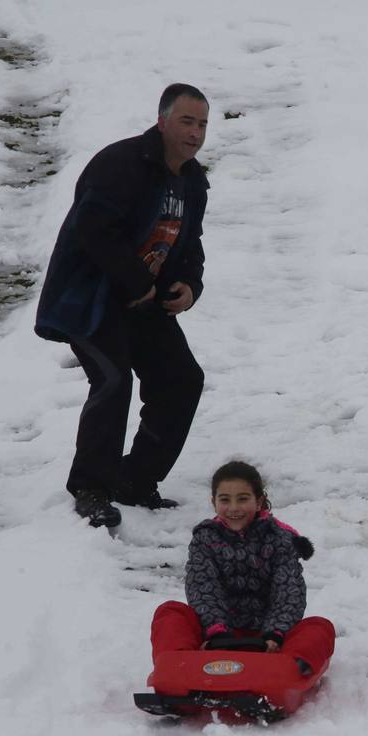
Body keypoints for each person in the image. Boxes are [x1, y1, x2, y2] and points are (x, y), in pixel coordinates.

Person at [34, 83, 211, 528]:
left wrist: (190, 284)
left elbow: (190, 245)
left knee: (182, 380)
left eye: (203, 124)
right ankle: (92, 487)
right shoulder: (120, 164)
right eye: (187, 121)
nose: (195, 133)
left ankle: (135, 481)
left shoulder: (192, 181)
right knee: (112, 380)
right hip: (90, 300)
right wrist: (137, 281)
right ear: (162, 120)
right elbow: (94, 232)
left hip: (144, 302)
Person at [149, 460, 335, 674]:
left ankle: (286, 673)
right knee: (170, 612)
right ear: (214, 502)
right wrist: (217, 632)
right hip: (215, 637)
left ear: (259, 502)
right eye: (225, 500)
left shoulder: (280, 540)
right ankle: (178, 670)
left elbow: (288, 593)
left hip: (270, 642)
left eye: (243, 499)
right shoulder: (205, 539)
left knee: (319, 627)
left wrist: (274, 634)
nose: (234, 508)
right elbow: (202, 588)